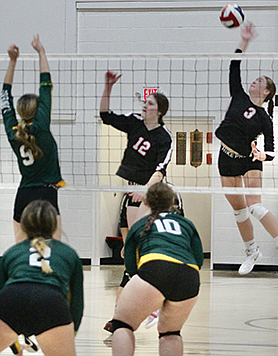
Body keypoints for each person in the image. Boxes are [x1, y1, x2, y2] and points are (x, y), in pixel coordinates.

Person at [215, 22, 278, 275]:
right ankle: (252, 251)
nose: (254, 81)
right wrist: (244, 41)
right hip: (226, 157)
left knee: (255, 206)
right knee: (239, 212)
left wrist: (264, 154)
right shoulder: (238, 96)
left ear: (267, 91)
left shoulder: (265, 118)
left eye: (260, 81)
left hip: (250, 159)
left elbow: (272, 149)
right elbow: (233, 66)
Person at [100, 71, 173, 330]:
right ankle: (122, 316)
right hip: (132, 192)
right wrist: (108, 87)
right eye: (145, 102)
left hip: (151, 194)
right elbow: (105, 116)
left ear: (160, 111)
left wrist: (145, 189)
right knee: (130, 255)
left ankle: (155, 304)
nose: (145, 105)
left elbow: (160, 170)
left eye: (150, 103)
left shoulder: (165, 137)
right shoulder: (134, 123)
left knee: (143, 252)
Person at [110, 182, 203, 356]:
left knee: (122, 324)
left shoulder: (140, 225)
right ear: (172, 202)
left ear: (146, 202)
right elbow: (198, 258)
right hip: (189, 277)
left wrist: (147, 288)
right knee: (170, 332)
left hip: (155, 268)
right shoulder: (185, 223)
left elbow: (130, 264)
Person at [1, 35, 65, 243]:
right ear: (39, 110)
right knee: (54, 250)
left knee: (20, 251)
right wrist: (41, 52)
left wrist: (12, 61)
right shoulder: (42, 127)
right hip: (46, 195)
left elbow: (4, 97)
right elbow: (45, 85)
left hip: (24, 195)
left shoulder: (14, 132)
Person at [0, 200, 84, 356]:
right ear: (54, 225)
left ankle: (17, 344)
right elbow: (77, 302)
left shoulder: (11, 252)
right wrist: (70, 332)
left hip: (12, 298)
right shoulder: (69, 253)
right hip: (50, 301)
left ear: (23, 225)